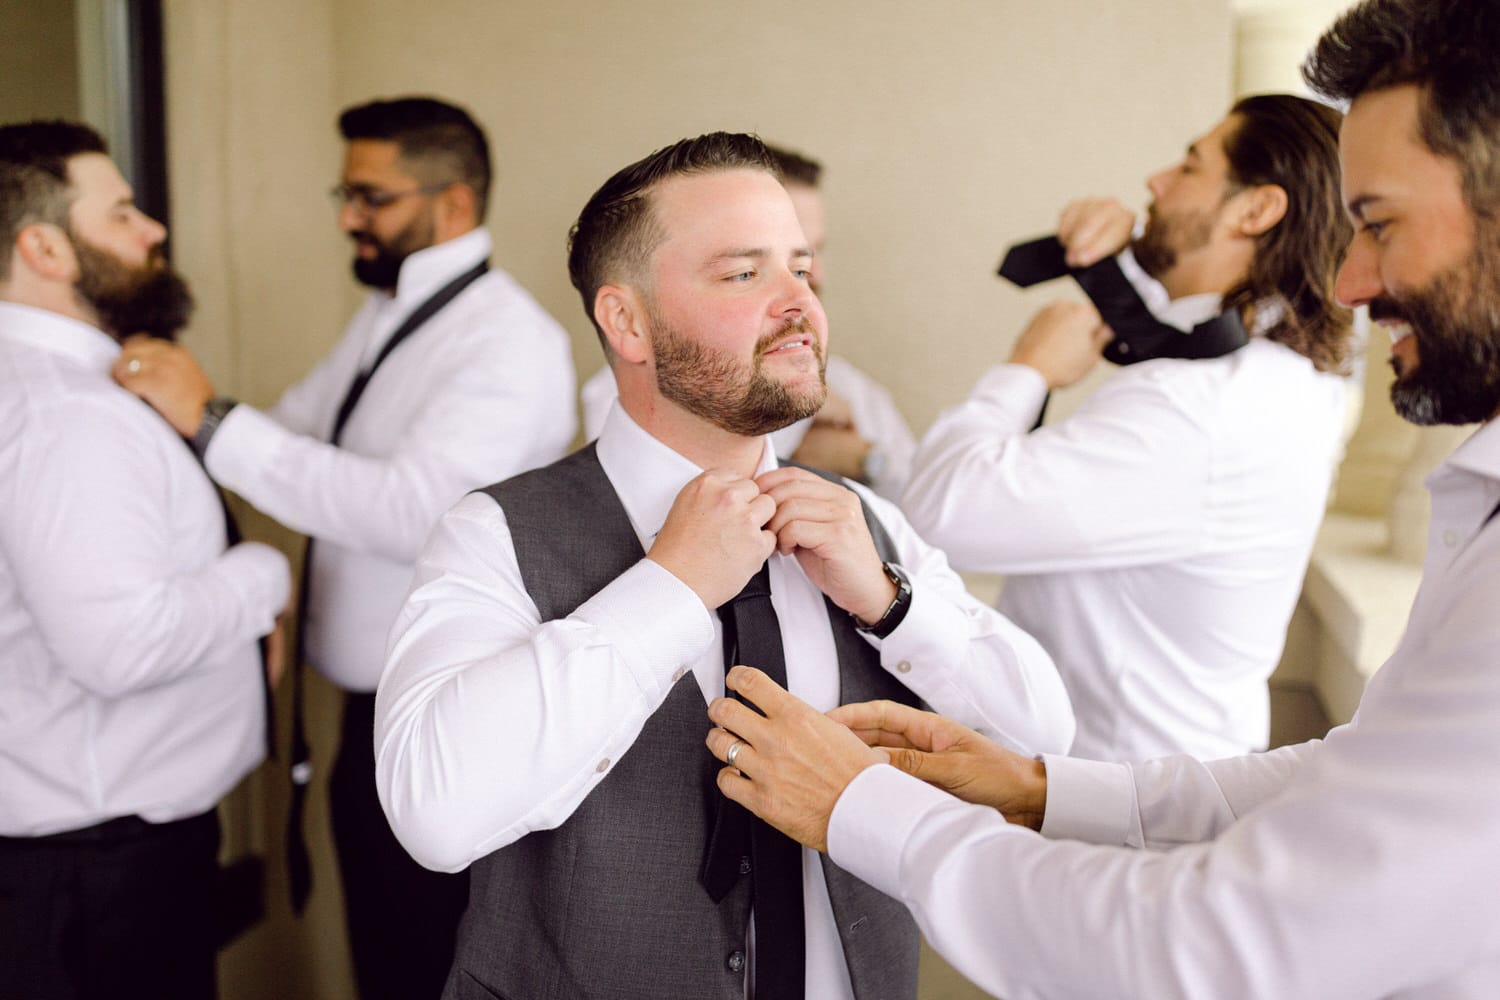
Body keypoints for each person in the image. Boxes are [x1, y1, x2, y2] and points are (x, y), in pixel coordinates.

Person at [704, 3, 1500, 995]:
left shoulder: (1203, 414)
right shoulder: (1276, 384)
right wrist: (1038, 789)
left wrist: (859, 803)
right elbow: (1363, 771)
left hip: (1143, 879)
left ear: (1256, 209)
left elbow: (956, 505)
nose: (1353, 280)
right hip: (1143, 794)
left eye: (1379, 220)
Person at [375, 131, 1074, 1000]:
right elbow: (435, 816)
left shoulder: (870, 527)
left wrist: (895, 606)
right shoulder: (493, 533)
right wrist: (668, 588)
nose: (798, 304)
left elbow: (1043, 740)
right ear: (626, 321)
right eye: (745, 274)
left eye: (803, 270)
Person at [114, 97, 576, 999]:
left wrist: (209, 420)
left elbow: (413, 513)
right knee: (386, 952)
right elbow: (297, 430)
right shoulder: (388, 317)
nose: (347, 217)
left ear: (451, 203)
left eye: (371, 197)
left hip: (452, 719)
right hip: (364, 715)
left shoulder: (511, 344)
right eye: (347, 192)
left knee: (427, 963)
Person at [902, 94, 1354, 762]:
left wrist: (1027, 371)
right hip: (1174, 775)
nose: (1156, 181)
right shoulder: (1289, 378)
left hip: (1117, 808)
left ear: (1256, 209)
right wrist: (1114, 267)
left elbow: (938, 514)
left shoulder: (1193, 411)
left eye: (1190, 166)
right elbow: (1180, 341)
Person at [0, 121, 291, 999]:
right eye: (122, 211)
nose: (152, 230)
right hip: (96, 873)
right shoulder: (69, 416)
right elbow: (118, 647)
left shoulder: (51, 391)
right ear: (44, 245)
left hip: (75, 855)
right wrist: (263, 577)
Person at [580, 142, 918, 499]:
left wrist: (867, 462)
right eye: (745, 273)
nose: (808, 290)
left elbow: (911, 495)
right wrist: (798, 439)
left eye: (800, 265)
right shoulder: (519, 539)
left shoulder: (849, 391)